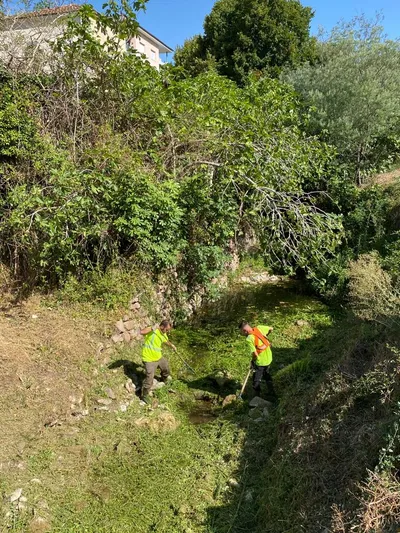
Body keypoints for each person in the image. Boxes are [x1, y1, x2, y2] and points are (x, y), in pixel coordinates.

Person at [139, 320, 177, 404]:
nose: (167, 331)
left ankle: (164, 378)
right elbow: (141, 332)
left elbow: (165, 340)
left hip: (158, 357)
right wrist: (153, 328)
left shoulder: (163, 333)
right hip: (149, 359)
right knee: (149, 378)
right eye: (166, 330)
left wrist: (172, 346)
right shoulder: (153, 330)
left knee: (166, 367)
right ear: (162, 327)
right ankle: (144, 395)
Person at [239, 320, 275, 398]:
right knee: (266, 374)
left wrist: (253, 361)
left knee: (256, 379)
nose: (241, 334)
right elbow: (271, 328)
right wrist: (265, 336)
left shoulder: (249, 339)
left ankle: (257, 397)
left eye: (241, 332)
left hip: (260, 362)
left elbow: (255, 354)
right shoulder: (259, 328)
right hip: (269, 358)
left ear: (244, 331)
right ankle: (272, 392)